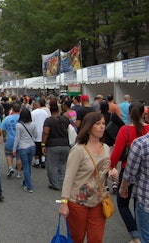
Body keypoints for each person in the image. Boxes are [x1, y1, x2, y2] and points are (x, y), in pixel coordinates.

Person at [59, 112, 118, 243]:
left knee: (96, 239)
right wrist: (64, 203)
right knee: (77, 239)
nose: (102, 127)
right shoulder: (78, 150)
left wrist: (111, 174)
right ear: (89, 127)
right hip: (78, 203)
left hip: (99, 201)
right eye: (98, 124)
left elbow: (102, 171)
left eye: (103, 123)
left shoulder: (106, 148)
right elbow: (69, 177)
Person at [110, 102, 149, 243]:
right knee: (139, 204)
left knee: (122, 203)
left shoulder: (124, 130)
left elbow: (117, 152)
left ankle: (135, 235)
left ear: (130, 113)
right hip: (144, 173)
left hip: (128, 170)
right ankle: (142, 232)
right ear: (144, 114)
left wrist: (111, 167)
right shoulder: (148, 129)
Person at [119, 132, 149, 243]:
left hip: (145, 201)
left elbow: (129, 173)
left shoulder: (141, 143)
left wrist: (123, 188)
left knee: (145, 237)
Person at [42, 100, 70, 191]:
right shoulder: (65, 119)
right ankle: (62, 183)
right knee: (63, 164)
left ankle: (55, 184)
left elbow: (45, 133)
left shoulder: (48, 120)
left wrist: (43, 144)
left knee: (52, 165)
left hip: (53, 145)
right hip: (65, 144)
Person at [13, 108, 37, 193]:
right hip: (32, 146)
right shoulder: (33, 124)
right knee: (28, 165)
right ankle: (25, 182)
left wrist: (14, 149)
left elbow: (17, 138)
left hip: (23, 147)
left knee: (26, 166)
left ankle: (29, 186)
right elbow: (36, 135)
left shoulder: (19, 125)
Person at [1, 102, 22, 178]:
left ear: (12, 110)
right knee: (19, 157)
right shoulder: (22, 118)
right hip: (20, 141)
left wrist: (4, 137)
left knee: (8, 154)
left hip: (10, 139)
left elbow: (3, 129)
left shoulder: (7, 118)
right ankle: (19, 173)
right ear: (20, 110)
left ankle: (10, 167)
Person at [31, 99, 49, 168]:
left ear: (35, 105)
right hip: (44, 132)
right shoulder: (45, 112)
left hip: (36, 133)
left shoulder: (33, 113)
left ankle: (37, 162)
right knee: (43, 146)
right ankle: (43, 160)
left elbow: (32, 123)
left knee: (37, 149)